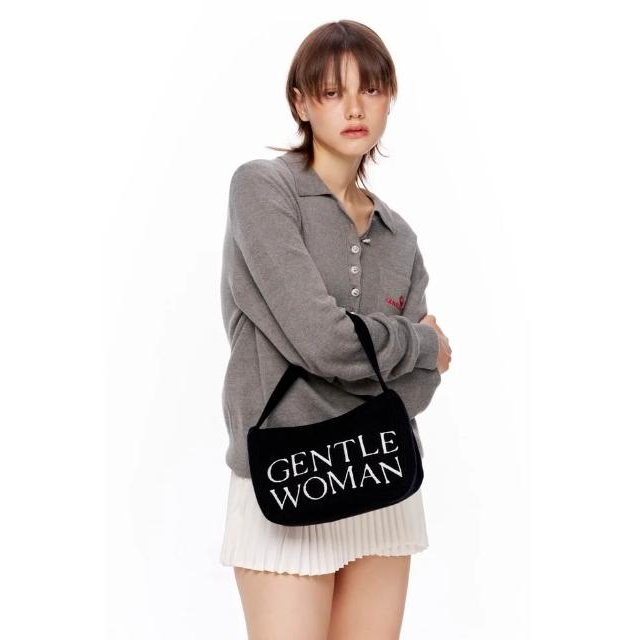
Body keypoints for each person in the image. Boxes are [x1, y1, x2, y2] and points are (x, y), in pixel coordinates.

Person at [218, 19, 452, 640]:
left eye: (370, 89)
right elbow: (322, 341)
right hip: (285, 480)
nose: (354, 108)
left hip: (382, 478)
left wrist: (367, 358)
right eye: (331, 91)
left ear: (389, 97)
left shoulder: (399, 236)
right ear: (301, 103)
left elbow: (419, 390)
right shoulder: (263, 191)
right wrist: (421, 343)